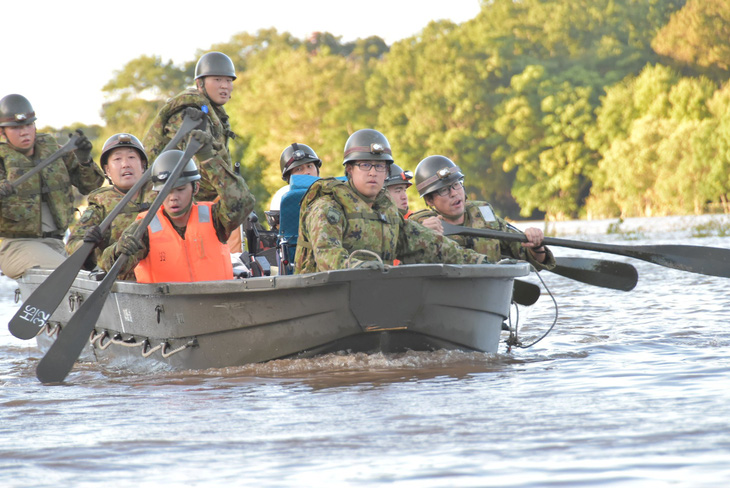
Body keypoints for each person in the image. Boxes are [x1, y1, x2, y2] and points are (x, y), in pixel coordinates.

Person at [295, 129, 491, 273]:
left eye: (379, 166)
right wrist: (361, 267)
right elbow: (328, 257)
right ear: (349, 170)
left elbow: (432, 245)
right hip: (326, 295)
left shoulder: (387, 212)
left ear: (387, 172)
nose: (373, 172)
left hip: (374, 294)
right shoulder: (328, 208)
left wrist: (481, 261)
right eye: (365, 165)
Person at [99, 130, 255, 282]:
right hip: (165, 306)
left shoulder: (216, 218)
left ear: (196, 188)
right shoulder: (145, 227)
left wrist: (208, 158)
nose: (173, 197)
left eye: (180, 190)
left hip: (215, 304)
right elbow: (112, 266)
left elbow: (243, 202)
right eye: (165, 192)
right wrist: (118, 250)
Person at [0, 94, 105, 279]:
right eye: (16, 128)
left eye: (28, 125)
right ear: (2, 132)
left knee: (95, 275)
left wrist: (84, 159)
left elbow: (91, 186)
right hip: (15, 246)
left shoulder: (54, 151)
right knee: (73, 276)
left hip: (57, 244)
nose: (24, 132)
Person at [410, 155, 555, 270]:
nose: (454, 193)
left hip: (488, 292)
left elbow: (533, 259)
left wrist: (536, 245)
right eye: (444, 190)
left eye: (456, 185)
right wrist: (420, 233)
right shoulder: (420, 223)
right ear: (429, 200)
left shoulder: (483, 214)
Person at [143, 51, 237, 202]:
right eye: (217, 79)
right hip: (167, 198)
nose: (224, 86)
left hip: (191, 197)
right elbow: (199, 170)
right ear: (200, 84)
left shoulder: (214, 113)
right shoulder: (188, 114)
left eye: (228, 80)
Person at [66, 133, 155, 269]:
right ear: (107, 170)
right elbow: (72, 245)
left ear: (143, 165)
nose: (125, 164)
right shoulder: (101, 203)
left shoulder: (161, 192)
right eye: (117, 159)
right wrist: (88, 242)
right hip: (119, 281)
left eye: (131, 157)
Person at [268, 142, 322, 228]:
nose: (306, 172)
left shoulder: (332, 191)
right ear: (289, 176)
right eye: (299, 169)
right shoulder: (282, 197)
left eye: (310, 166)